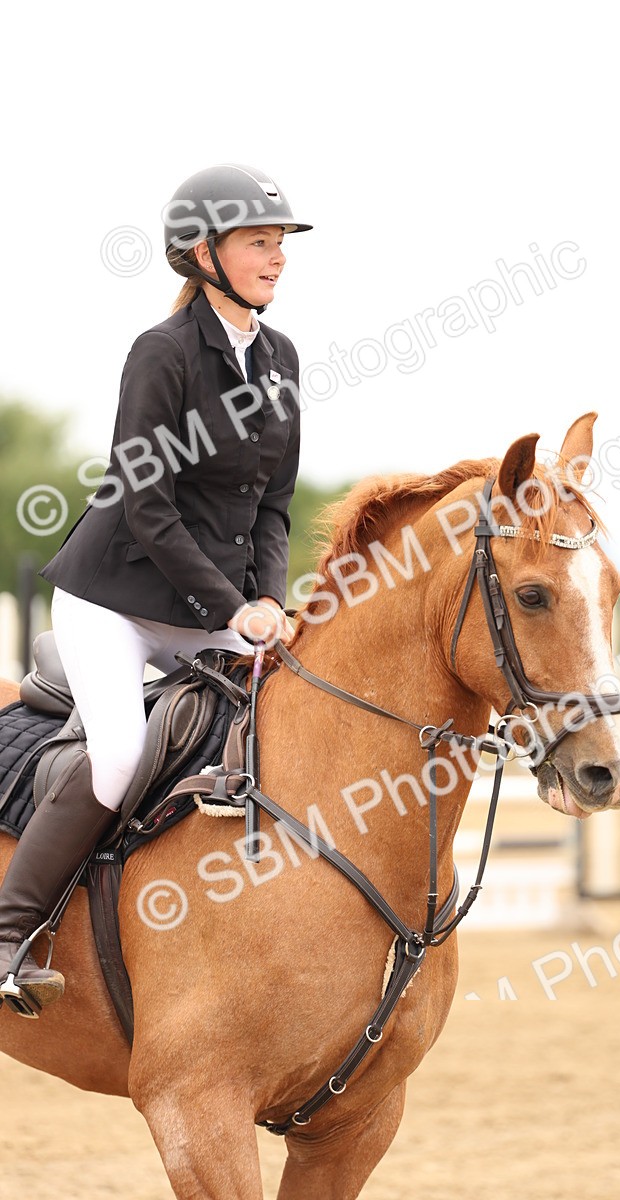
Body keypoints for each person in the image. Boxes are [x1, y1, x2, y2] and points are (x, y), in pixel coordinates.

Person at [0, 163, 311, 1014]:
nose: (277, 257)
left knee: (286, 737)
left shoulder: (280, 360)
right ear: (202, 252)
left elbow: (273, 506)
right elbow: (146, 503)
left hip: (214, 606)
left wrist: (271, 600)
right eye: (260, 242)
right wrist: (231, 606)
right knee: (122, 758)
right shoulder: (163, 354)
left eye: (281, 243)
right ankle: (9, 932)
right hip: (114, 603)